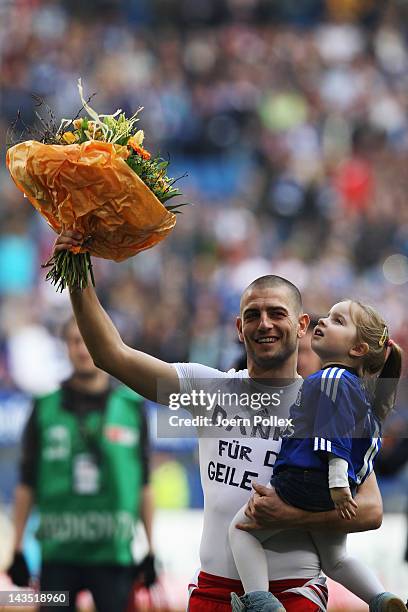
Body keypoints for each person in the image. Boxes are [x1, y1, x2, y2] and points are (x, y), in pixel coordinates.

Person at [53, 230, 383, 612]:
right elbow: (111, 355)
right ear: (238, 328)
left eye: (277, 313)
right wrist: (76, 269)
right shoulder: (208, 389)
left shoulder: (330, 400)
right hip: (213, 594)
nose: (265, 324)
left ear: (303, 324)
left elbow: (372, 510)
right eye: (252, 315)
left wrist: (292, 515)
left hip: (295, 595)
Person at [229, 300, 406, 612]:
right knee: (336, 559)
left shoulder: (331, 380)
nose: (323, 321)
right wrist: (347, 487)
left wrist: (337, 484)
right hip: (336, 491)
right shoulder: (365, 399)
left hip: (305, 482)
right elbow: (365, 454)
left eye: (337, 321)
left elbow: (333, 438)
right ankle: (380, 598)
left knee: (241, 532)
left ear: (358, 349)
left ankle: (260, 602)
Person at [7, 318, 156, 612]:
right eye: (75, 341)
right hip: (57, 558)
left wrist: (151, 548)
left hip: (114, 557)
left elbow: (143, 482)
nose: (82, 349)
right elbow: (27, 481)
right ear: (66, 348)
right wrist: (17, 547)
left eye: (88, 341)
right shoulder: (44, 407)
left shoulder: (131, 407)